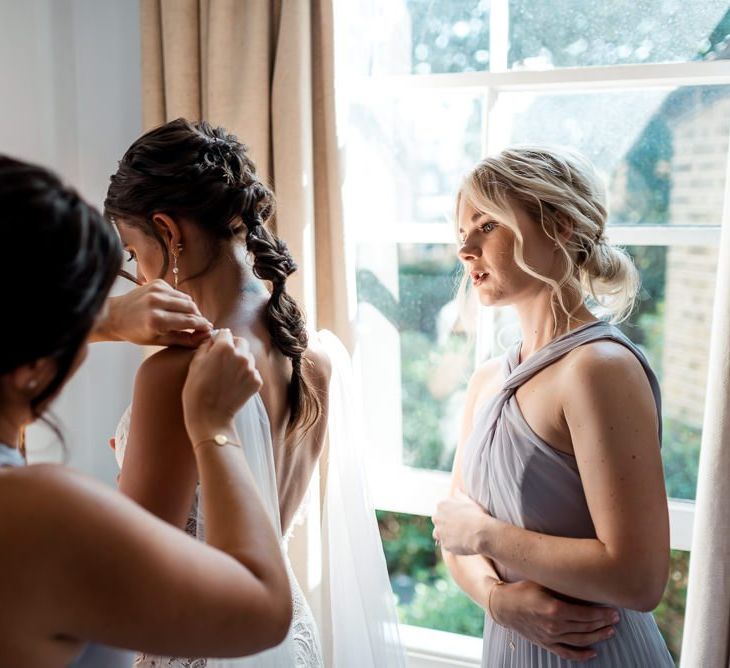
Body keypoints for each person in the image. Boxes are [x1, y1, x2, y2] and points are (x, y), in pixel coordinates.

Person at [104, 118, 404, 667]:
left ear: (169, 233)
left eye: (132, 252)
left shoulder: (175, 374)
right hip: (288, 639)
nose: (140, 278)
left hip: (199, 642)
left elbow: (135, 575)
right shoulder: (314, 356)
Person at [0, 156, 292, 667]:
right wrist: (214, 430)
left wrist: (101, 319)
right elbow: (264, 609)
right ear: (33, 367)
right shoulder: (39, 512)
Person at [432, 146, 674, 666]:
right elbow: (453, 535)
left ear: (560, 225)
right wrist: (498, 600)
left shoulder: (598, 369)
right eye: (461, 233)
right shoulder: (485, 382)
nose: (465, 248)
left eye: (487, 225)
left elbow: (640, 577)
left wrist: (487, 535)